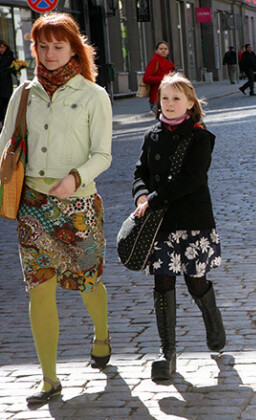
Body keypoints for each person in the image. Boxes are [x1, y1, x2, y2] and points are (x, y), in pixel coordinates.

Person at [0, 12, 113, 404]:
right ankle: (49, 378)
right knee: (39, 290)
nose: (50, 54)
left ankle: (102, 336)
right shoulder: (24, 93)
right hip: (33, 205)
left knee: (87, 283)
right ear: (34, 49)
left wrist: (76, 178)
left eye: (58, 46)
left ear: (74, 49)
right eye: (42, 46)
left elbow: (103, 154)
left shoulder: (93, 95)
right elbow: (5, 145)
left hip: (77, 206)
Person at [132, 72, 226, 381]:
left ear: (189, 102)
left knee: (195, 282)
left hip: (192, 221)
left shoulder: (200, 137)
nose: (169, 104)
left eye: (176, 98)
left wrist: (154, 199)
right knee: (162, 283)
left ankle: (213, 321)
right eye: (164, 98)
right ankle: (167, 353)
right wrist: (142, 194)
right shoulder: (151, 136)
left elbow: (191, 180)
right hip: (160, 224)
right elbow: (140, 171)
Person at [142, 41, 176, 115]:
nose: (163, 50)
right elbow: (146, 78)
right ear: (156, 50)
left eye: (165, 49)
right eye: (161, 49)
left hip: (170, 96)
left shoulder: (168, 61)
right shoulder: (155, 61)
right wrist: (164, 78)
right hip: (157, 98)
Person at [0, 40, 16, 128]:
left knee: (6, 102)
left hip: (6, 83)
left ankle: (6, 123)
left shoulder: (9, 56)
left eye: (2, 47)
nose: (1, 49)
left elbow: (14, 66)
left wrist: (17, 72)